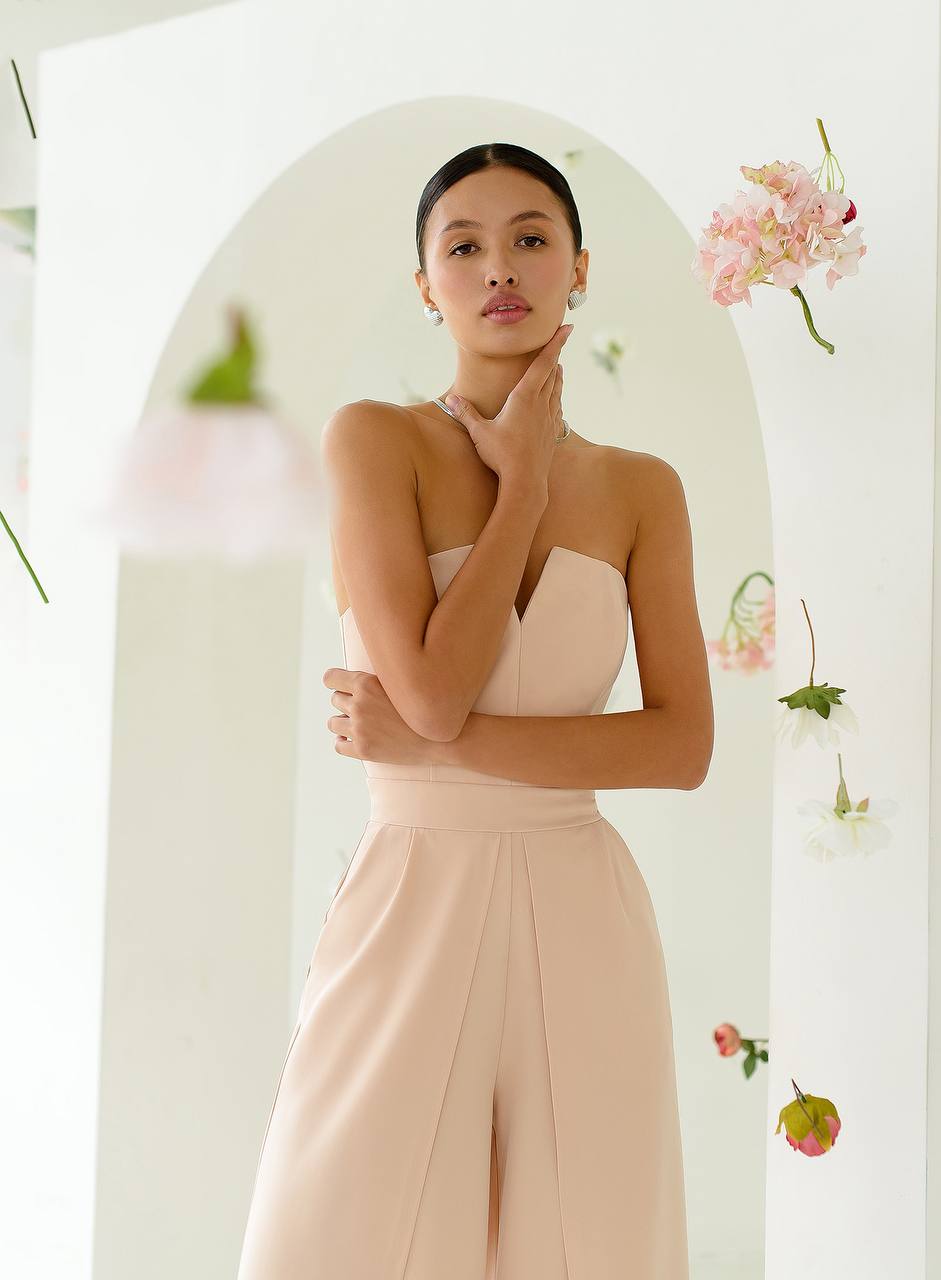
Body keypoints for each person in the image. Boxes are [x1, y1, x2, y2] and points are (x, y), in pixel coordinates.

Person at [236, 141, 714, 1280]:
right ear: (426, 286)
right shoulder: (374, 438)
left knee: (586, 1239)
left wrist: (435, 741)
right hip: (410, 895)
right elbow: (436, 689)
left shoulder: (646, 488)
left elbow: (680, 743)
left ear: (578, 267)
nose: (499, 265)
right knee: (334, 1231)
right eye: (463, 245)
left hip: (580, 907)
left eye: (531, 237)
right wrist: (525, 490)